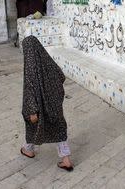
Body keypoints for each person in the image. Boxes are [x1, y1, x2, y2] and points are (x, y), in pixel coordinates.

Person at [20, 35, 74, 171]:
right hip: (54, 104)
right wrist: (52, 93)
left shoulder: (30, 66)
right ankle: (66, 159)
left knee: (33, 127)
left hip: (38, 106)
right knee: (58, 127)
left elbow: (30, 86)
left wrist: (32, 110)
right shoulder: (46, 60)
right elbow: (61, 76)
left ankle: (29, 150)